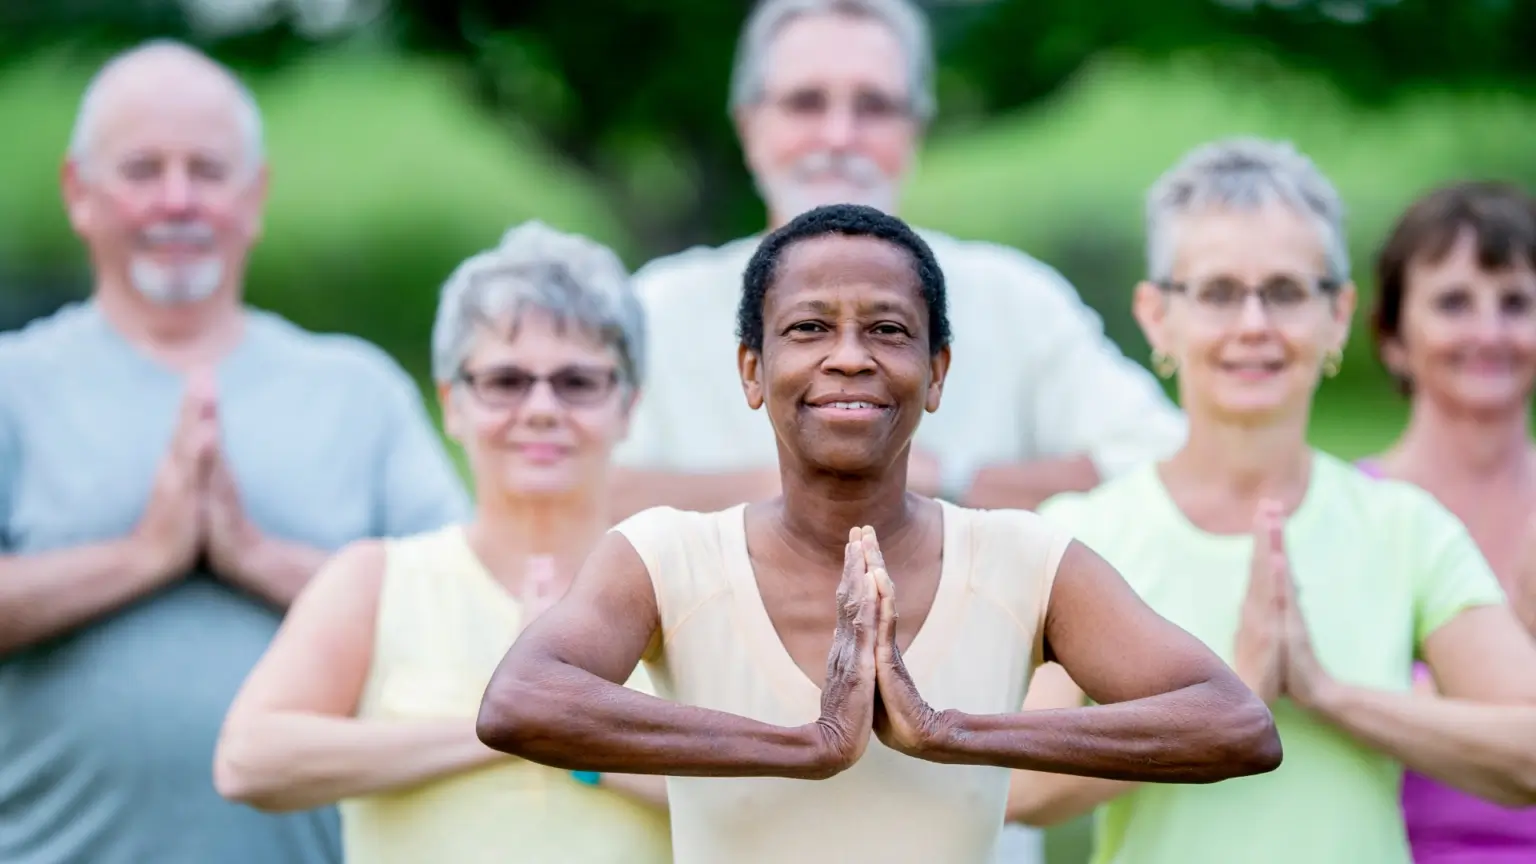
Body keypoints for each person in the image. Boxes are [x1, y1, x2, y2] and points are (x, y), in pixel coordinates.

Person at [474, 203, 1282, 864]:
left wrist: (952, 732)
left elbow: (1235, 724)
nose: (850, 357)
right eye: (808, 328)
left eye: (889, 330)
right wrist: (805, 746)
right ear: (752, 370)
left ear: (937, 373)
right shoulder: (665, 558)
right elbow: (520, 701)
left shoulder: (1023, 559)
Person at [0, 40, 468, 864]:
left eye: (208, 171)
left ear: (254, 197)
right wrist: (141, 556)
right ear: (79, 193)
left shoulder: (356, 392)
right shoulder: (14, 385)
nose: (177, 200)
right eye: (142, 170)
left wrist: (254, 556)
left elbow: (466, 614)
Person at [1004, 139, 1536, 864]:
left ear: (1337, 315)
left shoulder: (1405, 527)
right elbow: (1017, 787)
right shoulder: (1081, 537)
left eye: (1285, 292)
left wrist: (1331, 696)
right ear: (1157, 316)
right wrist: (1223, 709)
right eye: (1219, 293)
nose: (1253, 324)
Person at [611, 0, 1185, 532]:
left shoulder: (1016, 300)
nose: (839, 136)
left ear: (916, 128)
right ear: (748, 125)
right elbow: (578, 491)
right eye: (806, 102)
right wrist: (809, 484)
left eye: (875, 106)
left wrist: (948, 483)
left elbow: (1162, 466)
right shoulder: (658, 310)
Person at [213, 222, 671, 863]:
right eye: (505, 382)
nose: (542, 409)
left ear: (628, 405)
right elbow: (248, 759)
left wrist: (579, 741)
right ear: (453, 403)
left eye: (578, 382)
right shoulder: (376, 579)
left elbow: (766, 791)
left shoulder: (682, 583)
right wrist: (503, 726)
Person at [1360, 181, 1536, 862]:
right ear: (1393, 338)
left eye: (1515, 303)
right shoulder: (1346, 513)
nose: (1488, 333)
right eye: (1454, 303)